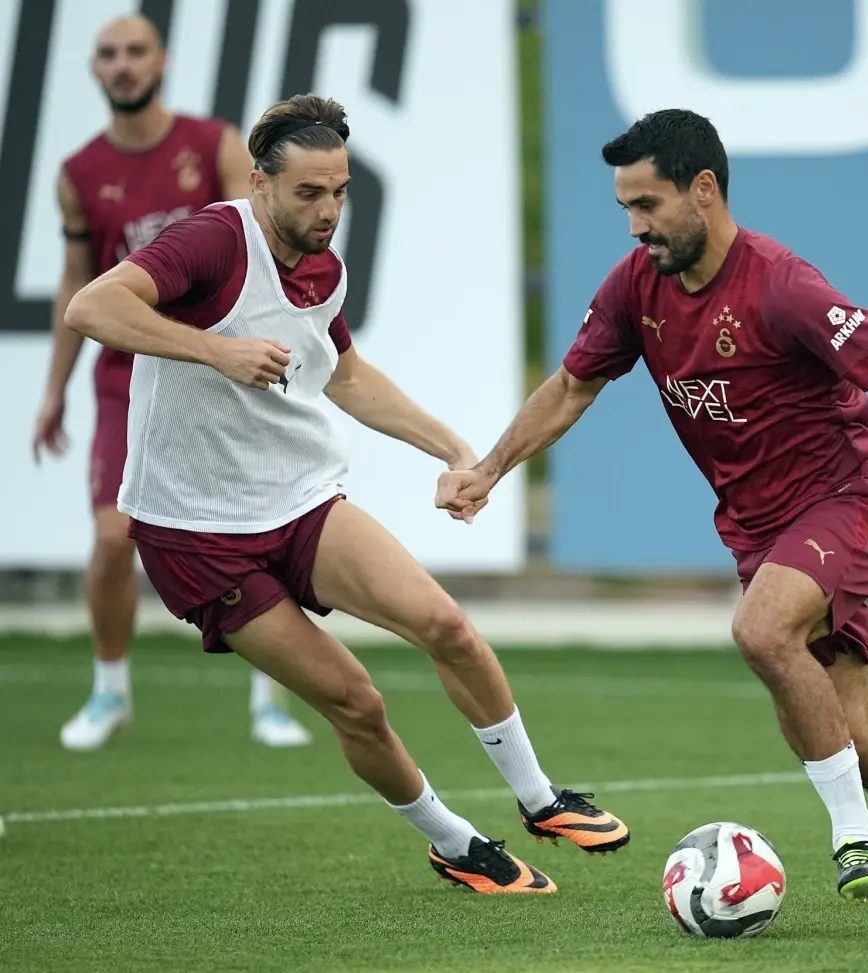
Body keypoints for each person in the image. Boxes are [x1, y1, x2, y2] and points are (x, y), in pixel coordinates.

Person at [436, 109, 868, 917]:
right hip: (762, 533)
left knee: (761, 629)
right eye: (625, 208)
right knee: (852, 737)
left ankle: (856, 840)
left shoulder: (783, 286)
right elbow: (571, 387)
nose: (635, 226)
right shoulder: (635, 287)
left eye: (648, 205)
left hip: (848, 501)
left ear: (703, 189)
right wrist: (490, 469)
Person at [64, 93, 628, 893]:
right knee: (356, 701)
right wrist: (215, 352)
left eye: (339, 191)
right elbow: (91, 306)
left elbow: (348, 376)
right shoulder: (212, 241)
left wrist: (454, 448)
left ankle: (541, 799)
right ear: (260, 183)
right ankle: (456, 843)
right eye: (308, 193)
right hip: (195, 533)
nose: (328, 210)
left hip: (297, 499)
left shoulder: (323, 265)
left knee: (447, 625)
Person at [31, 14, 310, 751]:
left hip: (224, 370)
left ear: (162, 62)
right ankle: (109, 690)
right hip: (128, 377)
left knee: (265, 528)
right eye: (108, 53)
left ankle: (272, 697)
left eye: (136, 52)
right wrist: (55, 389)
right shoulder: (78, 173)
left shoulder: (213, 145)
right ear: (95, 69)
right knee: (110, 537)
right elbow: (76, 283)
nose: (122, 64)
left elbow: (261, 242)